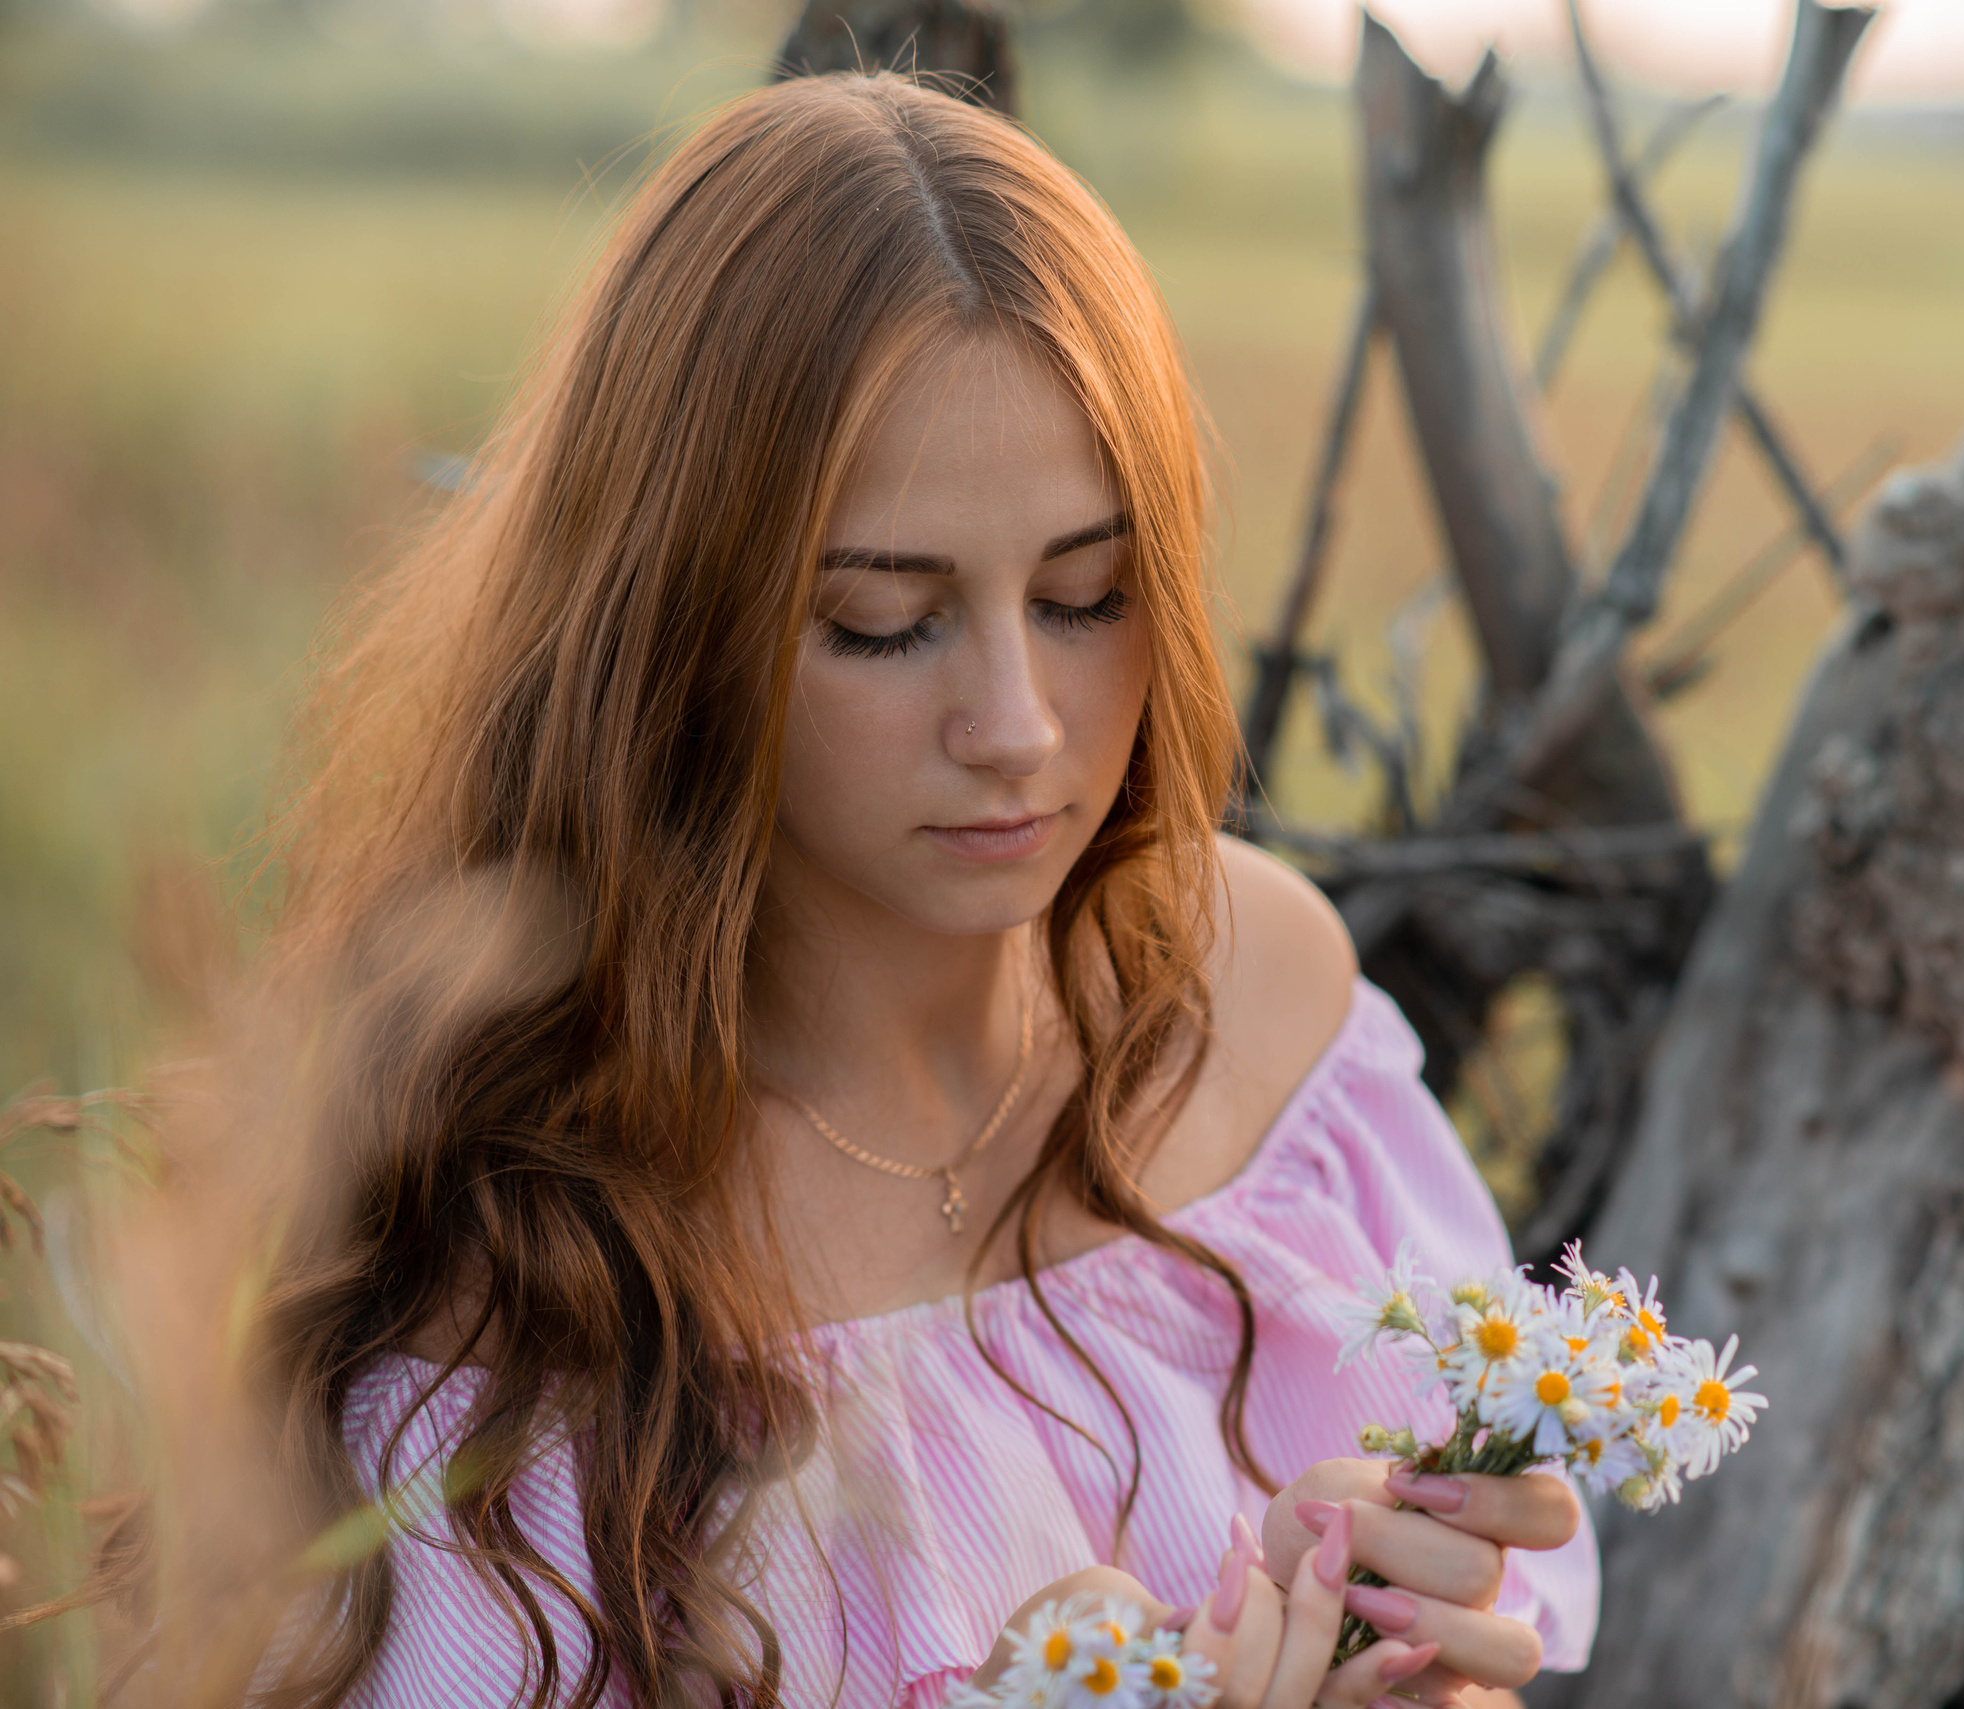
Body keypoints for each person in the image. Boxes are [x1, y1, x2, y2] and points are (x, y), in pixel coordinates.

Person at [230, 71, 1596, 1709]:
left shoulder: (1268, 1002)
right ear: (672, 623)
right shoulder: (501, 1240)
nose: (1018, 728)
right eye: (886, 620)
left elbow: (1492, 1614)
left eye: (1089, 596)